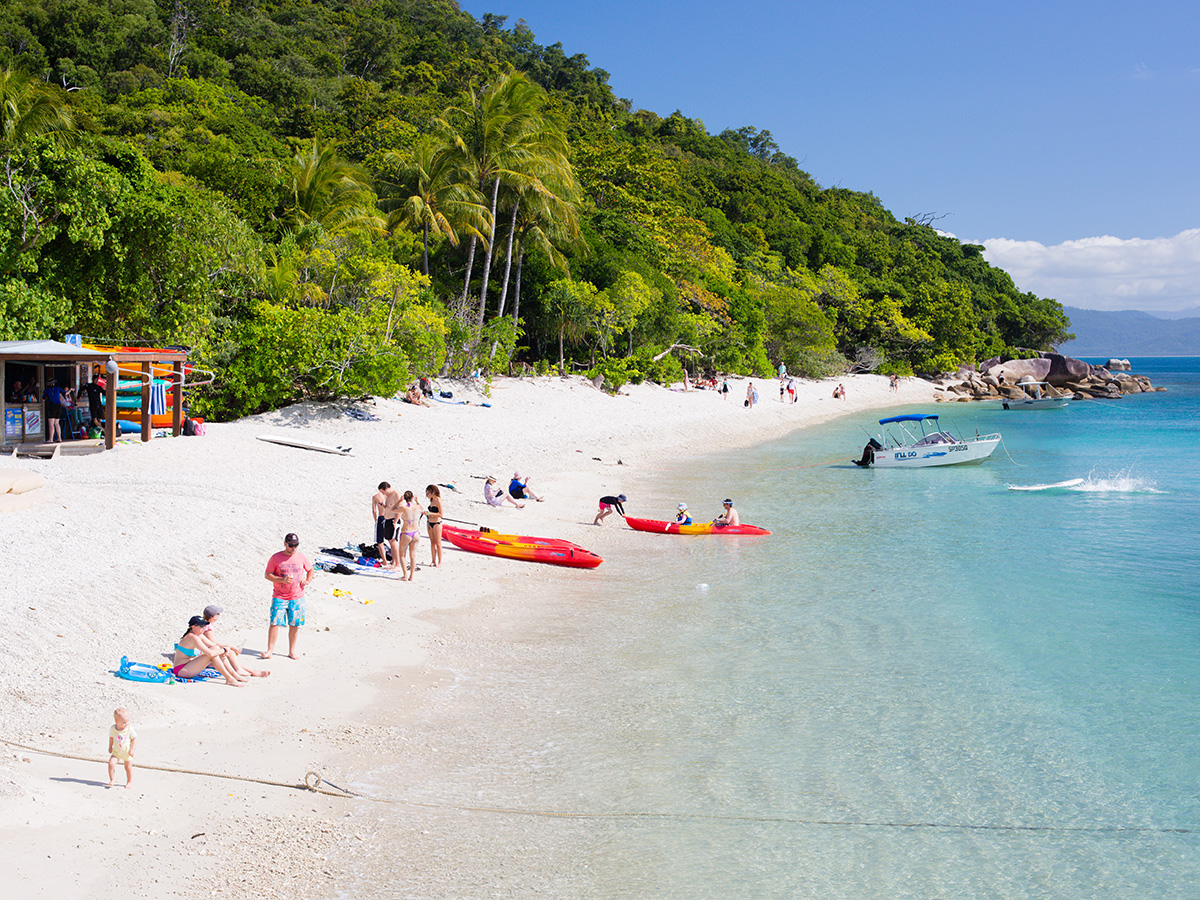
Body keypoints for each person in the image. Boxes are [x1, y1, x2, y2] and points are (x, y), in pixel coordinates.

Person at [264, 533, 313, 660]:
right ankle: (270, 650)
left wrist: (307, 581)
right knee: (275, 622)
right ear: (285, 544)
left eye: (296, 545)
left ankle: (291, 651)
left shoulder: (301, 557)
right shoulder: (276, 558)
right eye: (291, 545)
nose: (294, 548)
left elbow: (310, 570)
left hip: (297, 596)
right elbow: (267, 574)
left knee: (294, 624)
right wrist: (281, 580)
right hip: (280, 596)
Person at [173, 616, 246, 685]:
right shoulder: (192, 637)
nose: (204, 628)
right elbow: (210, 654)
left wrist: (229, 647)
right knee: (213, 654)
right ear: (193, 627)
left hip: (189, 666)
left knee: (216, 650)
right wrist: (224, 650)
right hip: (181, 670)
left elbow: (214, 645)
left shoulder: (198, 635)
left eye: (204, 626)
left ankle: (233, 675)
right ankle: (230, 678)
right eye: (201, 626)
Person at [201, 605, 269, 678]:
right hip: (208, 654)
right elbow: (213, 644)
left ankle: (252, 671)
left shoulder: (208, 624)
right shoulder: (208, 628)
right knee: (230, 653)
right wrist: (229, 646)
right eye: (218, 614)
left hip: (208, 651)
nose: (219, 616)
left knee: (231, 657)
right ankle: (243, 670)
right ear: (214, 617)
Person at [372, 482, 401, 568]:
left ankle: (397, 563)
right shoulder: (388, 496)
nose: (382, 494)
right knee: (390, 541)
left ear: (387, 488)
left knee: (392, 542)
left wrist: (395, 522)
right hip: (387, 520)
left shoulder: (396, 495)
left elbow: (400, 509)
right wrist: (384, 506)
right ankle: (393, 562)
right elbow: (389, 508)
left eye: (383, 492)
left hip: (392, 520)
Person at [395, 490, 423, 581]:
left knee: (402, 555)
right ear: (412, 498)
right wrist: (417, 500)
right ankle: (411, 576)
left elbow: (392, 510)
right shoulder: (416, 507)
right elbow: (421, 508)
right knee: (413, 555)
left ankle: (405, 575)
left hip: (406, 532)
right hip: (416, 532)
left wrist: (399, 502)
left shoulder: (404, 508)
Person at [107, 708, 137, 788]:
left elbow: (134, 739)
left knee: (128, 768)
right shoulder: (113, 729)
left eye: (128, 721)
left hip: (127, 752)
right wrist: (110, 747)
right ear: (116, 722)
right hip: (116, 751)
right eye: (124, 722)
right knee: (111, 764)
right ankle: (112, 779)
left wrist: (132, 750)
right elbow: (111, 738)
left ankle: (129, 782)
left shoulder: (129, 728)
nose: (127, 723)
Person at [425, 484, 444, 567]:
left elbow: (441, 514)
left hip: (437, 523)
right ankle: (433, 560)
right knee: (432, 542)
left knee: (438, 543)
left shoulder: (438, 500)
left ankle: (439, 561)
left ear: (432, 492)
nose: (427, 494)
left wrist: (429, 513)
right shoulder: (432, 500)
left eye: (428, 492)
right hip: (429, 522)